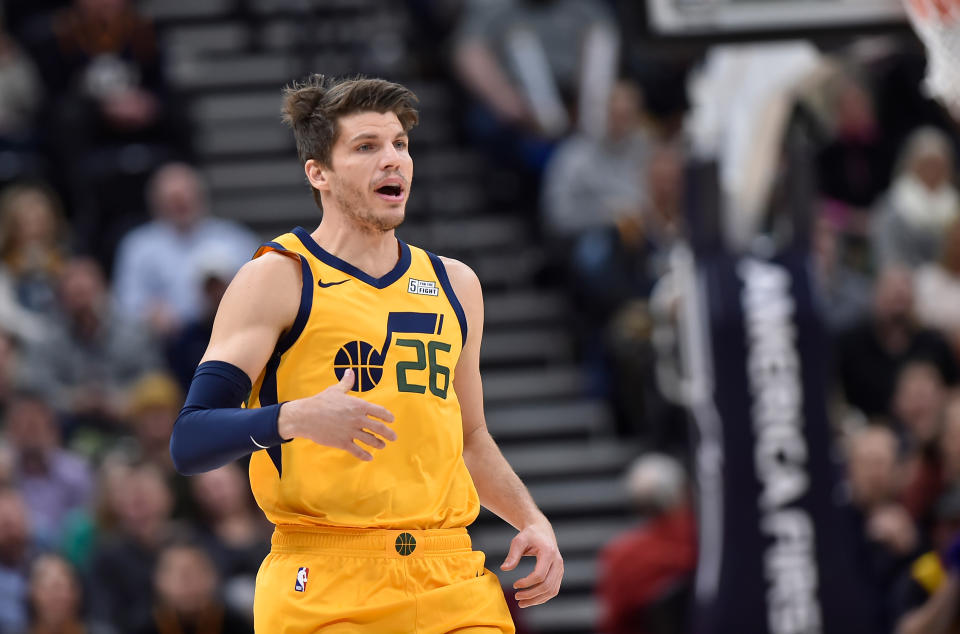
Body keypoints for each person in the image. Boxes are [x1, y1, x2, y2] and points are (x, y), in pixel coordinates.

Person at [169, 75, 562, 632]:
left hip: (449, 573)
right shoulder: (278, 278)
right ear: (318, 173)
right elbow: (190, 440)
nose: (393, 160)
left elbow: (471, 438)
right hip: (327, 579)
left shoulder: (456, 284)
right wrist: (294, 417)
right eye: (367, 147)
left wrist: (533, 520)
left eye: (400, 144)